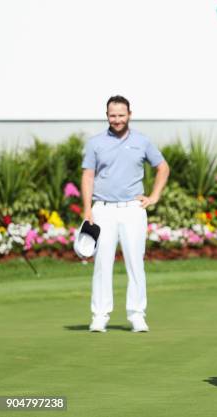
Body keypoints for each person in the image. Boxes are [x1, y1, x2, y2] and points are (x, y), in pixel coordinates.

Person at [81, 95, 170, 333]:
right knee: (102, 263)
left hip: (133, 209)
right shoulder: (95, 143)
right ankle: (99, 315)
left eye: (121, 115)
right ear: (107, 115)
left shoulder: (142, 141)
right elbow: (88, 175)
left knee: (135, 262)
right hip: (103, 209)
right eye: (112, 115)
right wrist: (88, 208)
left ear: (129, 114)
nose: (117, 119)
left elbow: (162, 167)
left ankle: (137, 314)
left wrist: (154, 196)